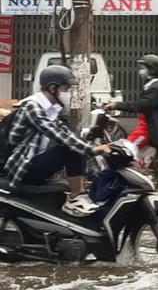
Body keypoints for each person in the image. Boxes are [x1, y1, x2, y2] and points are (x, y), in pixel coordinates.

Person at [4, 65, 112, 216]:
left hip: (35, 162)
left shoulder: (51, 109)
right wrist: (91, 150)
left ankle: (78, 195)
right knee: (69, 147)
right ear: (53, 88)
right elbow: (56, 134)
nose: (67, 93)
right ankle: (75, 198)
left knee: (75, 145)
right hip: (23, 168)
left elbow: (66, 133)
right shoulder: (32, 107)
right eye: (65, 88)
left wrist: (94, 146)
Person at [105, 54, 158, 166]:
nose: (140, 72)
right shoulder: (153, 86)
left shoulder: (156, 89)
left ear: (152, 69)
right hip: (146, 127)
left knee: (127, 149)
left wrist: (116, 105)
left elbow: (140, 105)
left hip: (149, 130)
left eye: (143, 68)